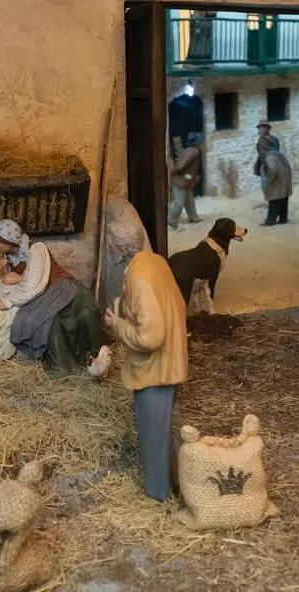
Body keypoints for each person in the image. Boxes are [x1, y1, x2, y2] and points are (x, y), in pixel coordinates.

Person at [102, 214, 188, 501]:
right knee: (162, 431)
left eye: (110, 244)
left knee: (154, 434)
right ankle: (173, 483)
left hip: (154, 369)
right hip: (169, 362)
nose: (109, 249)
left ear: (120, 247)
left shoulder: (138, 277)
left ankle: (158, 495)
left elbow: (150, 338)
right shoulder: (155, 262)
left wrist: (118, 325)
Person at [0, 219, 106, 377]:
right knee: (46, 323)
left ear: (9, 242)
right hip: (44, 297)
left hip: (63, 289)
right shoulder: (11, 259)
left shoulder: (36, 249)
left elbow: (32, 285)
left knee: (81, 314)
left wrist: (6, 302)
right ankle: (65, 369)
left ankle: (94, 359)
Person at [253, 121, 293, 226]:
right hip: (283, 166)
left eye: (260, 128)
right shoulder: (274, 142)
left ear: (266, 129)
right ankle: (283, 218)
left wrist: (270, 181)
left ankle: (271, 220)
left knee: (274, 195)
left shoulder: (268, 154)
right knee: (283, 194)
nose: (259, 131)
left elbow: (272, 170)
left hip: (275, 168)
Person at [168, 132, 203, 230]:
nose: (201, 143)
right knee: (179, 203)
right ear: (196, 143)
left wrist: (193, 177)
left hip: (186, 182)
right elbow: (181, 165)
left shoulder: (192, 151)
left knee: (189, 201)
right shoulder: (192, 152)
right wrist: (173, 172)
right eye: (200, 142)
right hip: (180, 182)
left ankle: (193, 218)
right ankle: (171, 221)